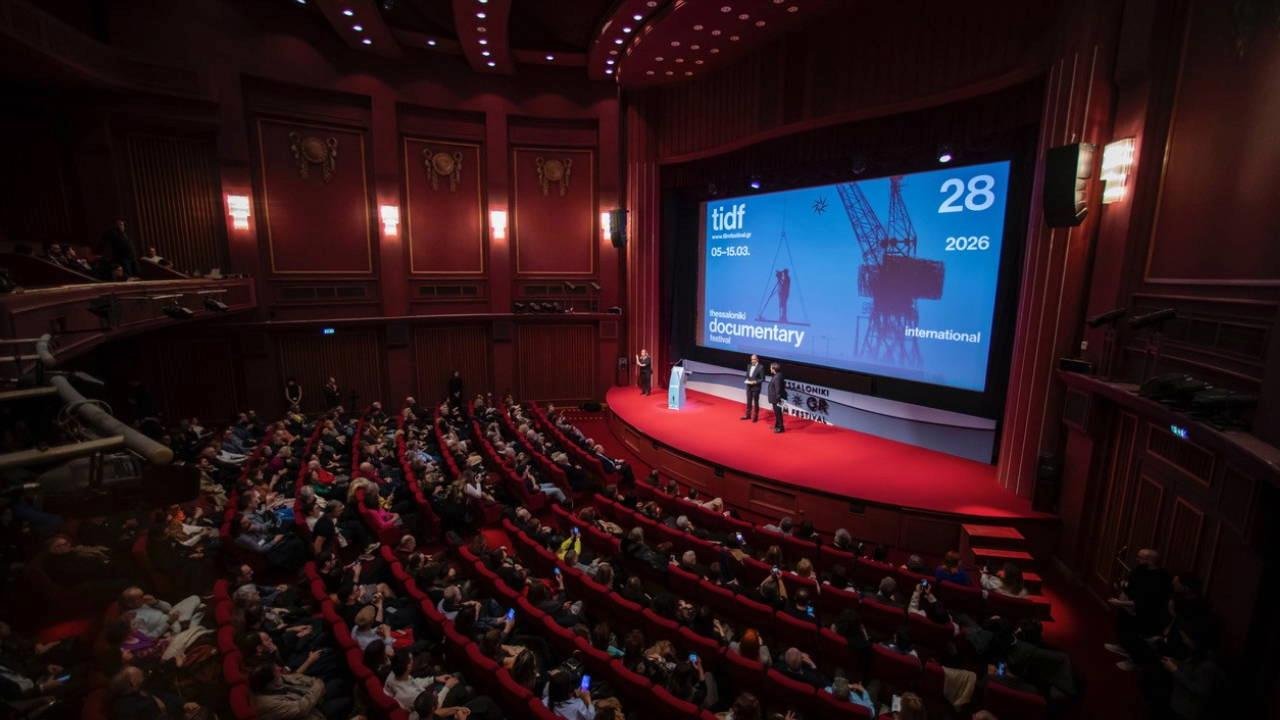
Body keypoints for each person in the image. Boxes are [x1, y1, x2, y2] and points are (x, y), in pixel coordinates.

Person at [742, 354, 764, 422]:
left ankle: (755, 417)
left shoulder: (761, 367)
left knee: (756, 402)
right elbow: (747, 375)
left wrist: (755, 382)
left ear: (757, 359)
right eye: (751, 359)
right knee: (749, 401)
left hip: (756, 387)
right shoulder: (749, 366)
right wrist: (746, 379)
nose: (752, 361)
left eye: (754, 359)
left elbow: (762, 379)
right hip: (749, 386)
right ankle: (748, 415)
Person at [767, 362, 787, 433]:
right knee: (777, 413)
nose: (770, 369)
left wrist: (778, 400)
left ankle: (781, 428)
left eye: (771, 367)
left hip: (777, 399)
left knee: (778, 413)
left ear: (774, 368)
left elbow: (778, 389)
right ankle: (777, 426)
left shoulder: (777, 377)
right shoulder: (778, 375)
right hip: (779, 398)